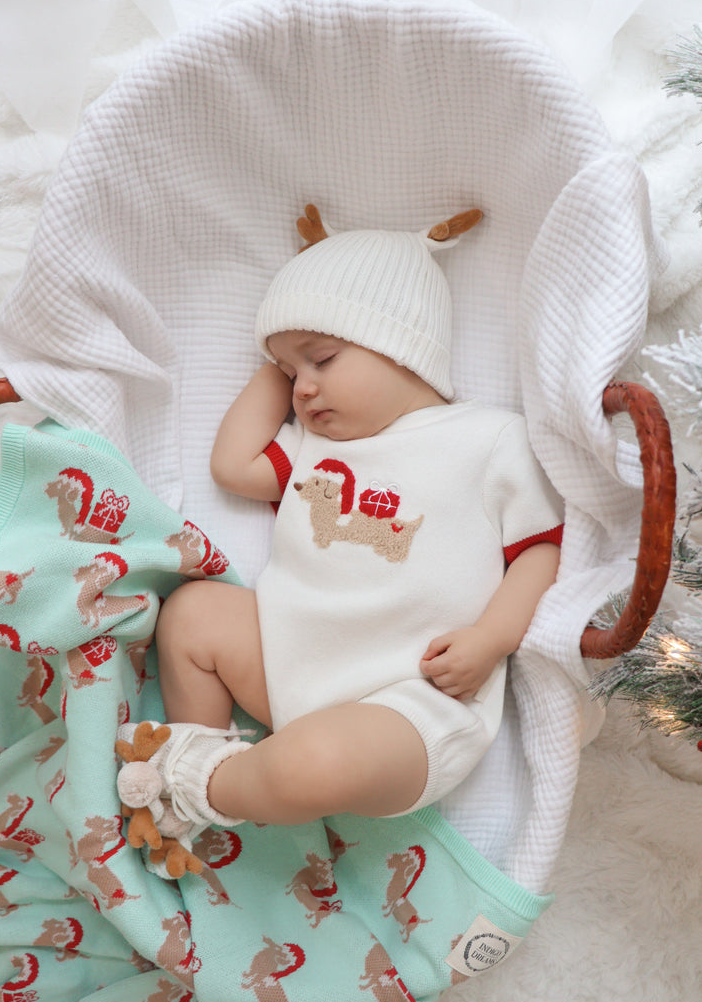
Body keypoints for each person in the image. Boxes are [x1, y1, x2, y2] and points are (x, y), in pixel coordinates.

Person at [117, 205, 563, 858]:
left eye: (322, 359)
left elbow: (539, 551)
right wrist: (279, 359)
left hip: (411, 702)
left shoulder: (488, 439)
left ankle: (194, 786)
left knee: (312, 764)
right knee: (193, 613)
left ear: (401, 344)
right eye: (290, 375)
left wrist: (490, 640)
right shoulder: (312, 449)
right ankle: (202, 746)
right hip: (288, 665)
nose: (302, 389)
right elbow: (232, 466)